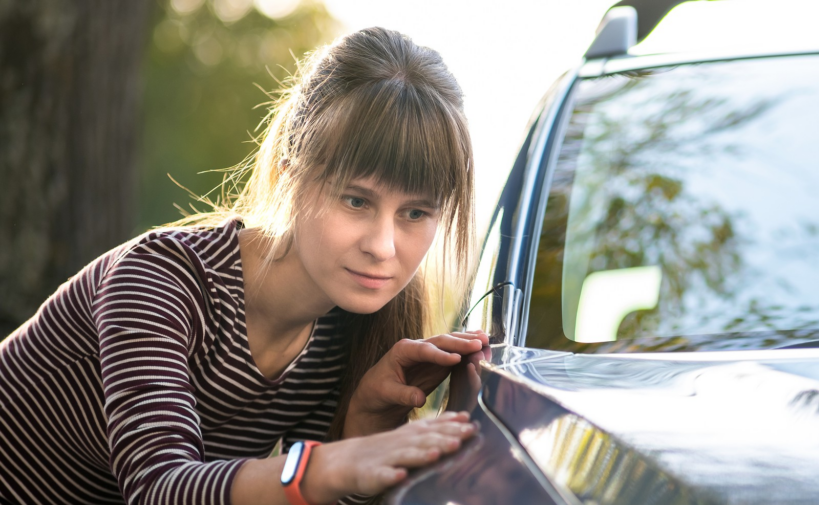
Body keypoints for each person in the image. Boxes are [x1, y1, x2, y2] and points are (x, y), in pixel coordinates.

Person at [0, 27, 488, 505]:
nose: (383, 246)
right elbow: (160, 488)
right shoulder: (159, 279)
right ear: (288, 172)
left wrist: (360, 426)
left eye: (416, 213)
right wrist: (323, 467)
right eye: (357, 201)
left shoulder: (345, 329)